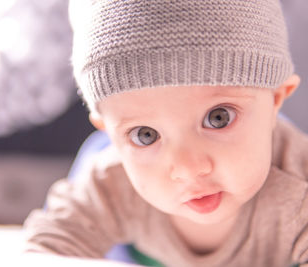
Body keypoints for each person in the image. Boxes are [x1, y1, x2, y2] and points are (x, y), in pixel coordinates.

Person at [24, 1, 308, 266]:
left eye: (218, 118)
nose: (188, 169)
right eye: (145, 135)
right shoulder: (110, 185)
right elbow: (41, 254)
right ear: (111, 134)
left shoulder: (299, 190)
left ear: (275, 100)